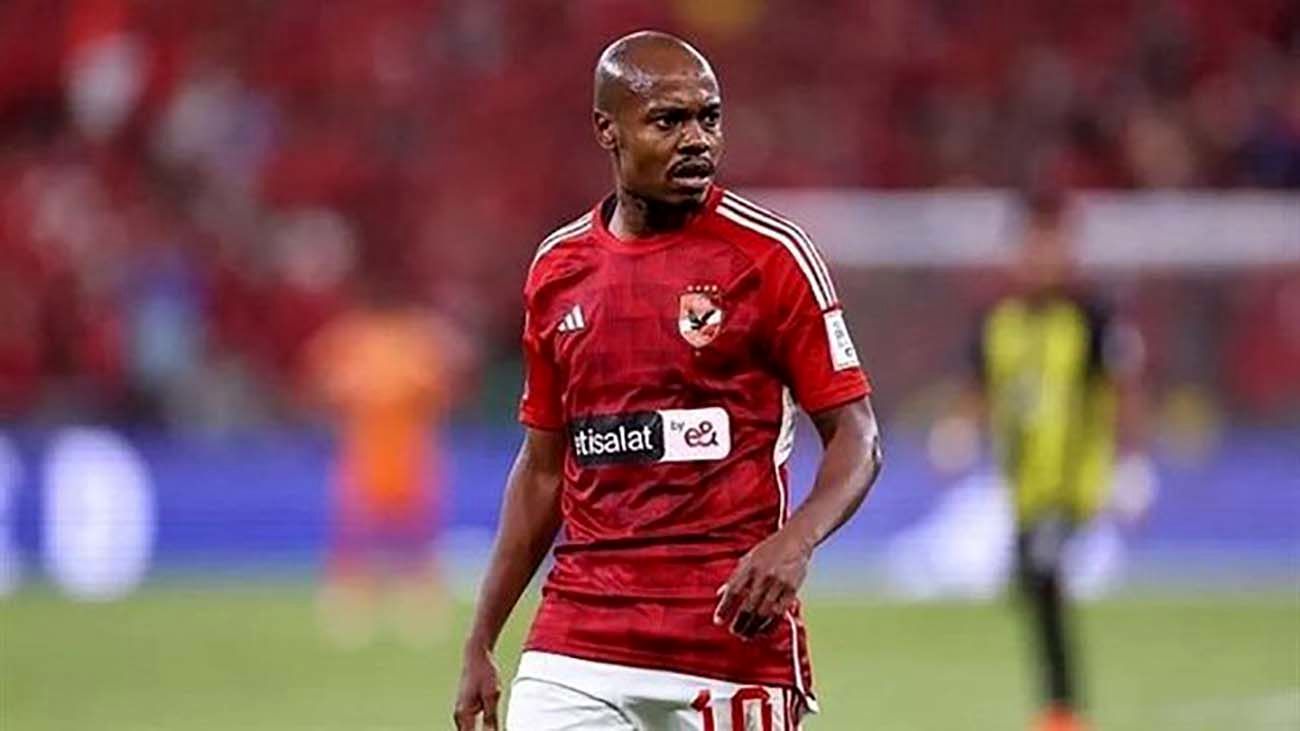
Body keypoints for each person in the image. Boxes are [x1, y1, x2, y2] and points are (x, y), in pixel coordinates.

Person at [453, 31, 883, 731]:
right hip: (577, 641)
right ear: (608, 130)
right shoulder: (558, 270)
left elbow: (857, 435)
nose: (697, 140)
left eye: (709, 118)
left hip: (726, 641)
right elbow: (542, 470)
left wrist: (795, 540)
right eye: (668, 120)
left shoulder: (771, 257)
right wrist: (481, 638)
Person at [968, 195, 1144, 731]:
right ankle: (1058, 704)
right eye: (1033, 246)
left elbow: (1122, 390)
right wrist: (958, 430)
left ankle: (1063, 711)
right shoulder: (997, 322)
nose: (1042, 258)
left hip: (1077, 485)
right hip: (1023, 488)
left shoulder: (1092, 320)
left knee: (1042, 571)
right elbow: (981, 390)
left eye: (1052, 246)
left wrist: (1131, 463)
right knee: (1030, 582)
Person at [306, 281, 470, 647]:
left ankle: (420, 608)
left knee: (418, 534)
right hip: (366, 451)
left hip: (410, 452)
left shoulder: (419, 338)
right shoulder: (352, 338)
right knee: (356, 534)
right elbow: (325, 385)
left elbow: (444, 386)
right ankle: (351, 608)